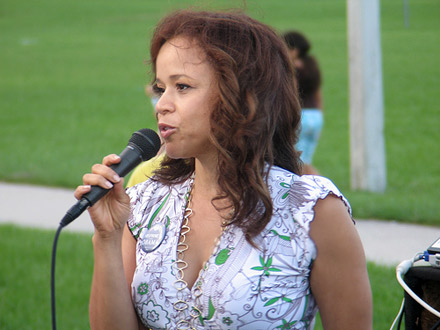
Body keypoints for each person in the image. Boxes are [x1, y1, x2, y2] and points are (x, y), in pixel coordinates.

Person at [75, 9, 372, 330]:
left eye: (183, 87)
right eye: (161, 88)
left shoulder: (313, 212)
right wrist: (106, 239)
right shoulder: (144, 202)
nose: (162, 104)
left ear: (242, 97)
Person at [283, 31, 324, 175]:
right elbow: (319, 94)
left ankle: (320, 189)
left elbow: (292, 93)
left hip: (301, 116)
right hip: (316, 116)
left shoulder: (292, 68)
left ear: (295, 50)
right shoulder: (312, 65)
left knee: (298, 163)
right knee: (306, 161)